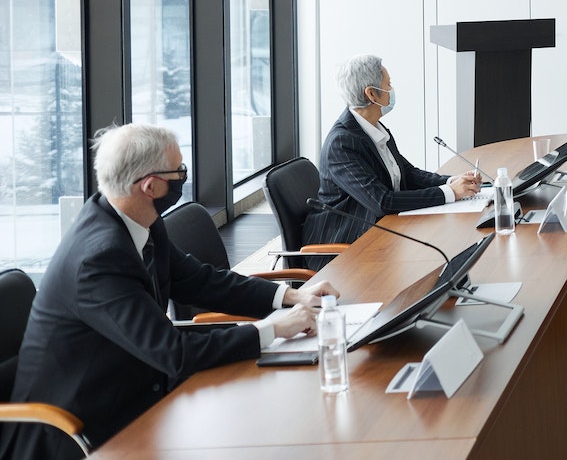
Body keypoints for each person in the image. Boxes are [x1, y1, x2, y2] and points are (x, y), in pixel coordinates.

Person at [2, 124, 335, 459]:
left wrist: (290, 297)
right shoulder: (98, 258)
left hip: (135, 393)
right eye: (179, 170)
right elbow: (172, 354)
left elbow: (200, 280)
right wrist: (274, 329)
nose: (184, 176)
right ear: (150, 185)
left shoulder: (136, 219)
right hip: (78, 431)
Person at [302, 54, 481, 247]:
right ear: (371, 94)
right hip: (343, 243)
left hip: (379, 229)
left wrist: (451, 181)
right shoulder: (342, 143)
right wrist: (449, 193)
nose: (391, 90)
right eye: (388, 84)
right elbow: (381, 201)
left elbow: (408, 174)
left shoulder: (374, 128)